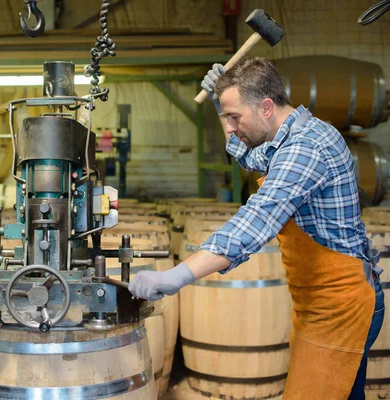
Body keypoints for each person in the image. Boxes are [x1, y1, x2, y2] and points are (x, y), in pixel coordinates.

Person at [128, 57, 385, 399]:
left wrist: (178, 275)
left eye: (235, 117)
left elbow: (256, 221)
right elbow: (248, 152)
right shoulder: (285, 137)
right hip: (320, 301)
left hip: (341, 305)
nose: (230, 127)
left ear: (266, 107)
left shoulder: (306, 147)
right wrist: (223, 108)